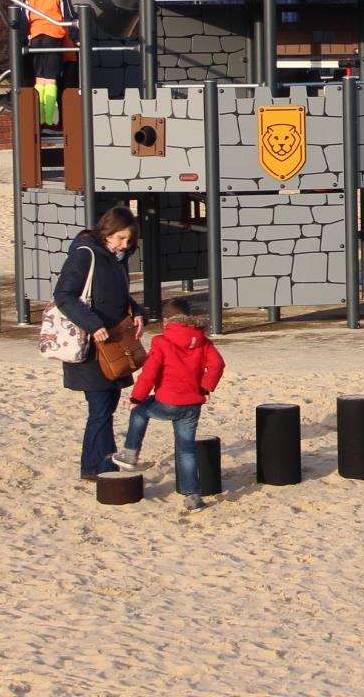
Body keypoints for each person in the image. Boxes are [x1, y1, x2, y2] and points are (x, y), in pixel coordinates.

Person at [51, 205, 146, 483]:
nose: (124, 245)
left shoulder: (118, 257)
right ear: (106, 231)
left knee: (106, 406)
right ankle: (99, 467)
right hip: (91, 346)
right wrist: (93, 325)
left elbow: (118, 296)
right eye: (119, 238)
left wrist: (138, 312)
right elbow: (64, 295)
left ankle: (97, 465)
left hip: (115, 343)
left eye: (129, 240)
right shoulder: (85, 254)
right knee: (101, 407)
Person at [116, 297, 226, 510]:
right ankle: (192, 496)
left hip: (168, 402)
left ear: (167, 321)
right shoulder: (202, 341)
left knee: (139, 411)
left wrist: (136, 398)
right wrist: (205, 387)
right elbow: (217, 364)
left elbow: (149, 374)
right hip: (192, 405)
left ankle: (130, 453)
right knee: (186, 449)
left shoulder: (162, 342)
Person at [21, 0, 75, 127]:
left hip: (36, 36)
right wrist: (75, 38)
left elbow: (24, 18)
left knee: (39, 78)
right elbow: (69, 16)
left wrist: (24, 39)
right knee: (51, 78)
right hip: (54, 35)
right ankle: (50, 117)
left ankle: (39, 116)